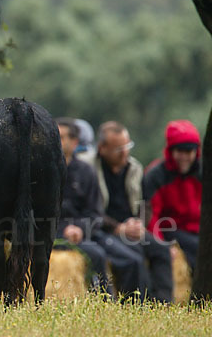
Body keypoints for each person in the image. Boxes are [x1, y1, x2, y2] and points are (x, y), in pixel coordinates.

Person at [86, 121, 173, 303]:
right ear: (102, 148)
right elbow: (90, 209)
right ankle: (138, 306)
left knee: (161, 250)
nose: (125, 152)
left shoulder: (135, 168)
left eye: (127, 146)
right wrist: (118, 228)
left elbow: (146, 203)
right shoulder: (89, 170)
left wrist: (140, 223)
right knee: (134, 255)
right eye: (119, 149)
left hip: (132, 228)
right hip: (104, 230)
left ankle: (164, 304)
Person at [55, 118, 113, 296]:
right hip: (49, 235)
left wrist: (79, 228)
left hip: (83, 234)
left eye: (62, 137)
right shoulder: (40, 172)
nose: (57, 141)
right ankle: (104, 302)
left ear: (75, 142)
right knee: (96, 254)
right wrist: (63, 230)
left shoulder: (86, 172)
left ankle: (133, 302)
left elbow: (95, 213)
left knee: (129, 254)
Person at [143, 119, 202, 272]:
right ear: (171, 151)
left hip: (197, 229)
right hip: (171, 229)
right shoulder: (156, 176)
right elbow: (152, 217)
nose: (184, 157)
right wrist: (161, 246)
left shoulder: (202, 173)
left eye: (188, 152)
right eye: (179, 152)